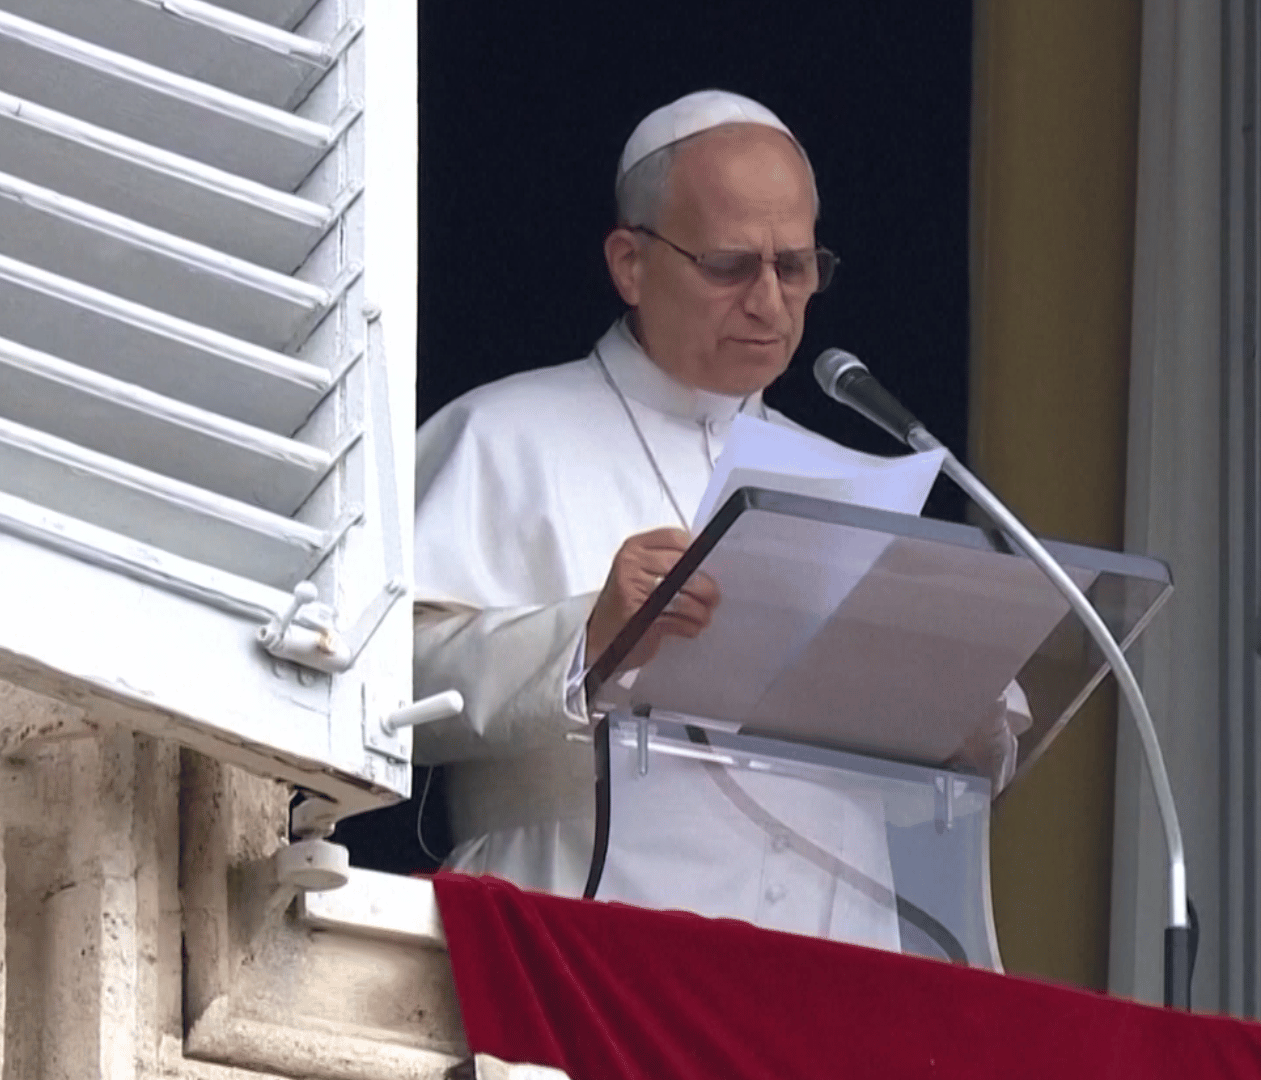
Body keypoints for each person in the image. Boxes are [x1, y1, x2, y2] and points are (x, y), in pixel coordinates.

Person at [410, 90, 1017, 953]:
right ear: (630, 262)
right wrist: (584, 635)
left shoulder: (855, 481)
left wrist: (960, 713)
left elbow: (956, 761)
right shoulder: (501, 437)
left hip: (832, 962)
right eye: (732, 266)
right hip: (582, 941)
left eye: (796, 267)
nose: (770, 303)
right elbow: (380, 687)